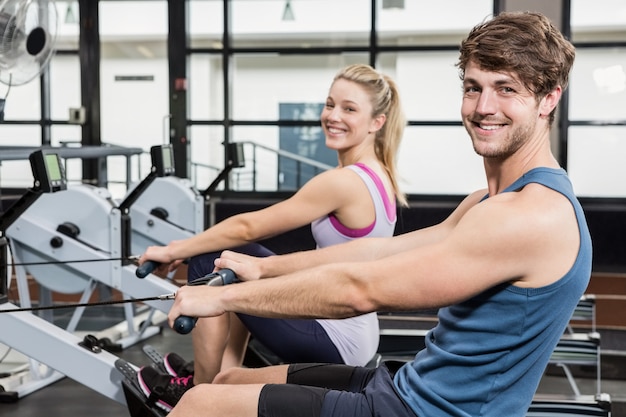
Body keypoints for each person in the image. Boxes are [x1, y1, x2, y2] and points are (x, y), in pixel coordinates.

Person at [161, 11, 591, 417]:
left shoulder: (529, 215)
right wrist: (264, 269)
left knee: (201, 405)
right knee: (230, 380)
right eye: (474, 87)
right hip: (410, 386)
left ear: (548, 99)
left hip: (424, 411)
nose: (483, 107)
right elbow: (377, 252)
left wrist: (222, 297)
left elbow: (359, 290)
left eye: (507, 89)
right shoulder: (486, 202)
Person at [137, 63, 408, 411]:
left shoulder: (344, 181)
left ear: (376, 123)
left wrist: (174, 250)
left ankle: (195, 395)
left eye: (349, 109)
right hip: (356, 334)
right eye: (330, 104)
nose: (333, 115)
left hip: (333, 335)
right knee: (235, 264)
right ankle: (220, 377)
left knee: (212, 259)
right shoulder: (379, 175)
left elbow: (248, 227)